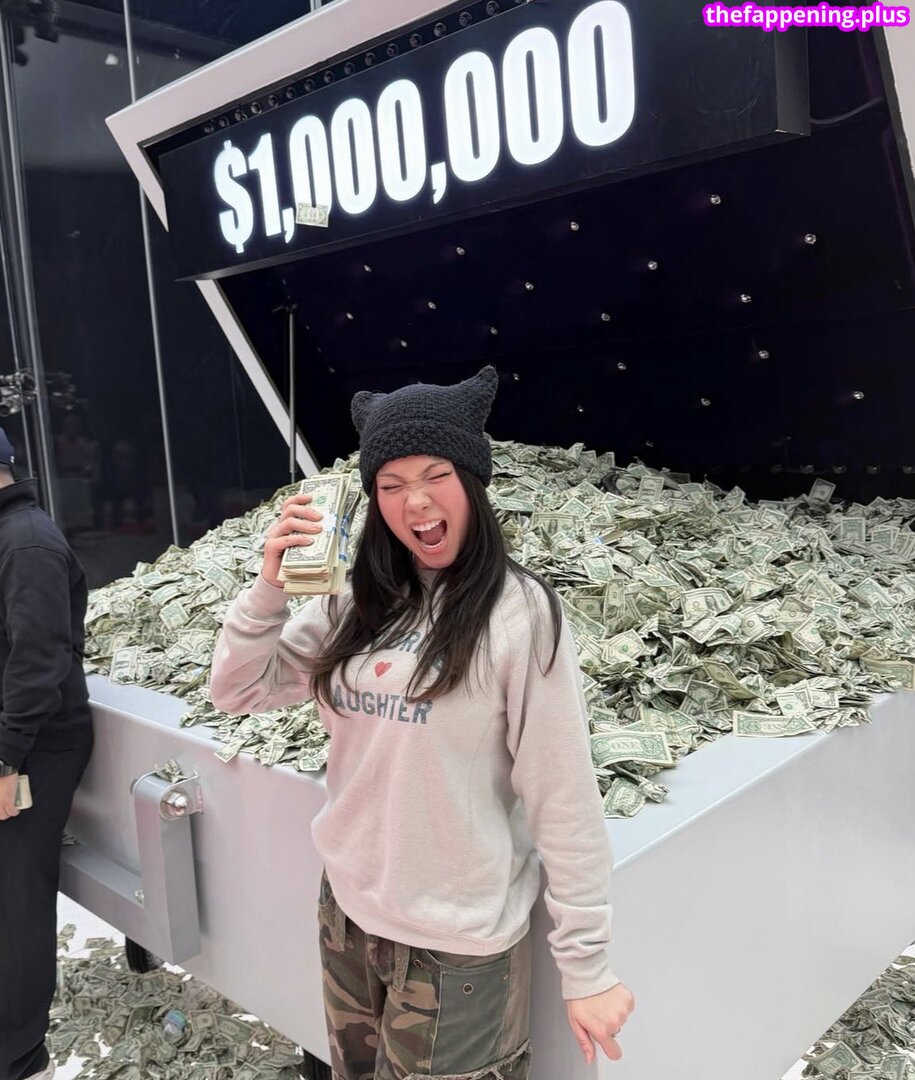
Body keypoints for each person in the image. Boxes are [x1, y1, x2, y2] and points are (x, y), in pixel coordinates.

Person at [210, 367, 634, 1080]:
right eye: (390, 484)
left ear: (472, 482)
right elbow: (239, 688)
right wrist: (269, 588)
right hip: (347, 914)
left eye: (436, 475)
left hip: (455, 947)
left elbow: (561, 794)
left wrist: (586, 967)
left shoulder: (520, 613)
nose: (415, 501)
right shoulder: (354, 602)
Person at [0, 427, 94, 1080]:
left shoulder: (26, 542)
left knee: (18, 898)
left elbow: (37, 665)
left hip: (35, 746)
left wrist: (6, 759)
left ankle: (17, 1053)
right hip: (17, 739)